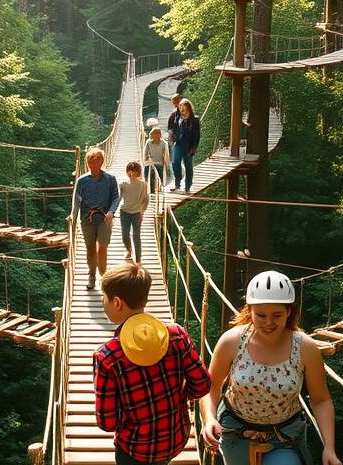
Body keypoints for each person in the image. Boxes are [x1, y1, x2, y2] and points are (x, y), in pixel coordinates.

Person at [199, 270, 342, 465]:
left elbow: (321, 400)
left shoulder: (305, 348)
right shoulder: (231, 342)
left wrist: (329, 447)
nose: (268, 322)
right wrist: (209, 419)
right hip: (235, 433)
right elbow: (211, 387)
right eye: (260, 315)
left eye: (277, 315)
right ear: (249, 310)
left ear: (289, 312)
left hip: (284, 436)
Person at [94, 262, 212, 465]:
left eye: (103, 297)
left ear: (117, 302)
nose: (102, 302)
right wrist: (178, 398)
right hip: (174, 440)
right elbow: (202, 385)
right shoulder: (177, 335)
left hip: (135, 450)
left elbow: (107, 422)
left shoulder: (107, 357)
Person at [71, 147, 120, 290]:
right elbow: (76, 201)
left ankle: (103, 277)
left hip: (104, 218)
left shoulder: (110, 179)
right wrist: (73, 218)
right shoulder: (82, 181)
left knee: (102, 249)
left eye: (95, 162)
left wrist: (111, 211)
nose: (92, 165)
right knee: (90, 248)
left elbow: (116, 197)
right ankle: (92, 275)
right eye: (90, 162)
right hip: (87, 219)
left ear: (101, 162)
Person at [119, 161, 149, 262]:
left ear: (138, 172)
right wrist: (111, 211)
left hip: (136, 213)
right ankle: (128, 250)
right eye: (129, 171)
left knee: (136, 236)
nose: (131, 173)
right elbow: (118, 198)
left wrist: (142, 212)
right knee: (125, 234)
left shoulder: (143, 184)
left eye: (134, 171)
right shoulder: (123, 184)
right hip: (124, 212)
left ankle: (138, 259)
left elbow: (145, 200)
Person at [170, 98, 200, 194]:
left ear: (188, 108)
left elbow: (197, 135)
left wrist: (193, 148)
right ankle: (177, 183)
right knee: (175, 162)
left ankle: (187, 186)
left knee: (188, 165)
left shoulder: (195, 120)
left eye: (184, 108)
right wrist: (173, 140)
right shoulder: (177, 116)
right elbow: (173, 129)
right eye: (181, 108)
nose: (182, 110)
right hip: (178, 144)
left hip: (189, 145)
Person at [143, 126, 170, 191]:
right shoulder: (150, 142)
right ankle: (156, 189)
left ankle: (154, 189)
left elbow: (166, 156)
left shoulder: (163, 143)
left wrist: (166, 166)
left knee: (151, 177)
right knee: (157, 177)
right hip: (154, 164)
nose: (154, 135)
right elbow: (145, 154)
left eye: (156, 134)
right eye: (154, 134)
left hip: (155, 164)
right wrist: (167, 167)